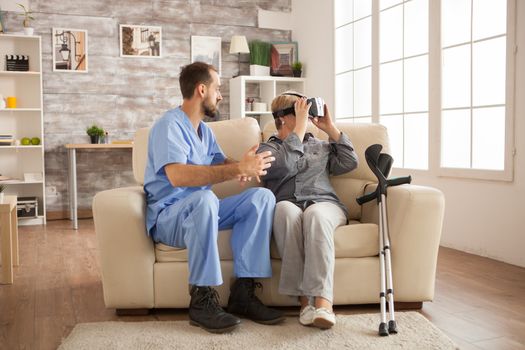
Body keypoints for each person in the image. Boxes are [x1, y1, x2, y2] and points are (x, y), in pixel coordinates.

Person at [144, 62, 284, 334]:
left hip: (202, 212)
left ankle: (243, 293)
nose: (220, 95)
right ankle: (201, 299)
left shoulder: (205, 132)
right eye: (218, 89)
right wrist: (236, 169)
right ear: (201, 89)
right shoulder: (168, 126)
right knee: (205, 200)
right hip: (170, 217)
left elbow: (222, 163)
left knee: (261, 198)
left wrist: (244, 164)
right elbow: (177, 176)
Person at [257, 92, 358, 329]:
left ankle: (323, 304)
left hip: (324, 204)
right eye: (299, 110)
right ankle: (305, 303)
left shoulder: (321, 145)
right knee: (283, 210)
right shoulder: (268, 148)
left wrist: (330, 128)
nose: (305, 115)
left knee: (315, 215)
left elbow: (350, 163)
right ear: (282, 118)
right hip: (288, 203)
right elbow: (283, 165)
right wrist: (298, 132)